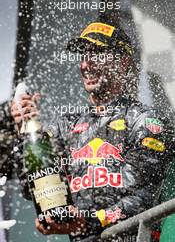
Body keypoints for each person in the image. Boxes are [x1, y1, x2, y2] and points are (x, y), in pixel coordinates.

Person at [11, 19, 174, 242]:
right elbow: (32, 188)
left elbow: (142, 200)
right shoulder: (64, 126)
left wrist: (88, 222)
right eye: (84, 55)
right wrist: (26, 132)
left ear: (123, 62)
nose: (87, 64)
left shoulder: (146, 121)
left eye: (97, 54)